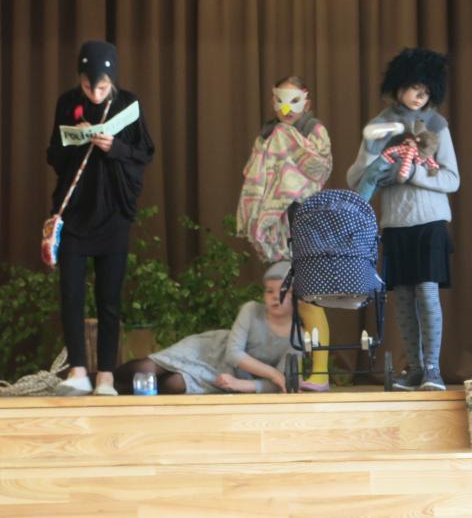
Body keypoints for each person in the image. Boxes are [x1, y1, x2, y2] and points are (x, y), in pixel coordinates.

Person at [346, 48, 460, 391]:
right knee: (403, 300)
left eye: (425, 91)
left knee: (427, 293)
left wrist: (412, 174)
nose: (418, 96)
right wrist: (378, 161)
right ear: (398, 86)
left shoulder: (437, 126)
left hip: (431, 223)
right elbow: (355, 179)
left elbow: (452, 179)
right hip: (395, 224)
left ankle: (432, 370)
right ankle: (414, 368)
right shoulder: (379, 127)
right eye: (413, 88)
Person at [48, 40, 154, 396]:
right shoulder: (67, 103)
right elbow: (53, 154)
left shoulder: (128, 104)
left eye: (102, 87)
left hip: (113, 213)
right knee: (71, 295)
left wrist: (115, 147)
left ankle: (106, 375)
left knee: (109, 299)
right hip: (75, 211)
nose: (94, 93)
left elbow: (145, 153)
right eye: (87, 85)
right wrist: (78, 139)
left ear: (113, 80)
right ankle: (78, 370)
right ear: (79, 79)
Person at [236, 76, 332, 391]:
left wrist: (288, 147)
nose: (286, 108)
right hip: (278, 227)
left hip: (306, 220)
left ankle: (320, 372)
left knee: (310, 299)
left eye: (294, 101)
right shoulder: (267, 134)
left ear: (307, 102)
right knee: (288, 299)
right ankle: (294, 371)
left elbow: (320, 167)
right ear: (273, 101)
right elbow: (254, 173)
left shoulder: (313, 129)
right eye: (280, 100)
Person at [114, 262, 301, 394]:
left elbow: (282, 383)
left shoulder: (298, 335)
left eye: (283, 291)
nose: (275, 297)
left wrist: (241, 384)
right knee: (146, 369)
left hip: (230, 375)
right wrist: (273, 373)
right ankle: (105, 382)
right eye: (269, 291)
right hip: (211, 350)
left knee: (174, 384)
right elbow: (234, 354)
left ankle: (125, 393)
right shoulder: (251, 310)